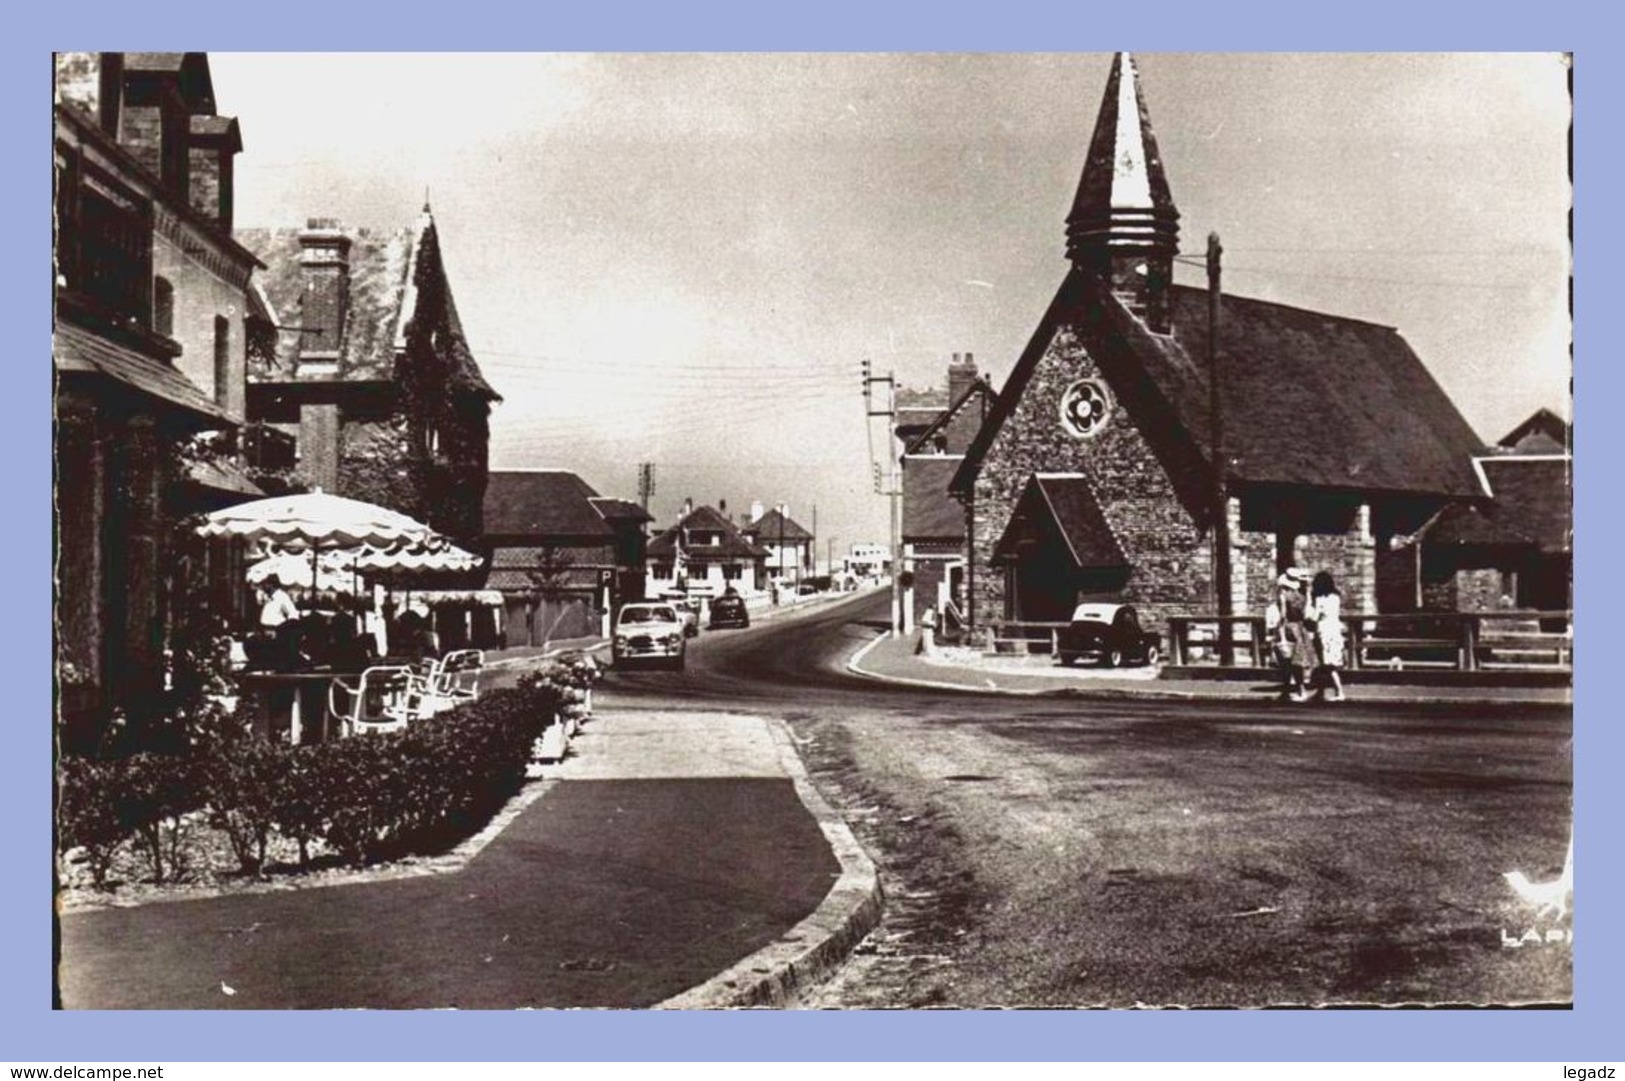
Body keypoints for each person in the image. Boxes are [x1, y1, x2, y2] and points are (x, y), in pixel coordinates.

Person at [1271, 571, 1314, 702]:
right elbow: (1306, 613)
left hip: (1288, 628)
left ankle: (1288, 690)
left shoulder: (1284, 596)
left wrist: (1279, 630)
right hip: (1300, 628)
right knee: (1297, 661)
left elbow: (1283, 616)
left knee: (1285, 661)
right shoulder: (1302, 596)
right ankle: (1300, 690)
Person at [1308, 570, 1347, 702]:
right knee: (1325, 665)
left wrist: (1309, 602)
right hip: (1335, 630)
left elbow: (1314, 617)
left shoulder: (1320, 599)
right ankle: (1320, 692)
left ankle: (1339, 691)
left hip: (1324, 631)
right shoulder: (1336, 597)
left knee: (1328, 665)